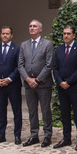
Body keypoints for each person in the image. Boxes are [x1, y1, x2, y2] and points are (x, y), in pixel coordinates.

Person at [18, 19, 54, 147]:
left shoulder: (47, 44)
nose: (32, 28)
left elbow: (49, 64)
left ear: (40, 29)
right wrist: (28, 79)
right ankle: (34, 135)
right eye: (30, 26)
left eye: (34, 26)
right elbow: (20, 64)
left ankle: (47, 135)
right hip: (28, 84)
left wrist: (37, 80)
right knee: (32, 111)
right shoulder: (24, 45)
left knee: (45, 110)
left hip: (43, 84)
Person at [52, 25, 77, 150]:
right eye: (64, 33)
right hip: (62, 87)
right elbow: (54, 68)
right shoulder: (59, 49)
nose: (65, 36)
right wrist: (61, 82)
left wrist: (69, 81)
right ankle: (66, 138)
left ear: (74, 35)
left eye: (68, 33)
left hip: (75, 87)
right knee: (64, 113)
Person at [0, 26, 22, 144]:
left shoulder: (17, 48)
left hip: (13, 85)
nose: (5, 36)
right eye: (3, 34)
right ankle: (1, 135)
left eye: (7, 34)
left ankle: (17, 135)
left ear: (11, 35)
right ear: (0, 35)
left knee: (16, 111)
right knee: (1, 111)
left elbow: (19, 66)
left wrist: (9, 79)